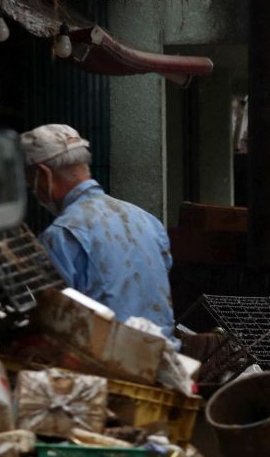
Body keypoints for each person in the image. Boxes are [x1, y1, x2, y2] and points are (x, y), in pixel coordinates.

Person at [20, 124, 174, 333]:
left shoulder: (62, 235)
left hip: (102, 363)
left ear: (43, 174)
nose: (35, 192)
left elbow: (51, 322)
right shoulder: (148, 221)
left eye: (31, 185)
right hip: (165, 357)